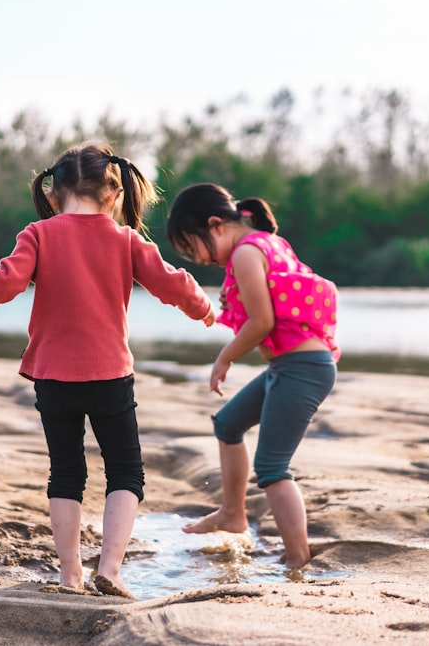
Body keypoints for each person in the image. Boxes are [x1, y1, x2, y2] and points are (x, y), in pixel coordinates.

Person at [0, 142, 215, 599]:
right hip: (110, 375)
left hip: (52, 376)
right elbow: (168, 281)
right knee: (125, 473)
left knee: (65, 473)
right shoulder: (126, 240)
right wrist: (200, 306)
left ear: (54, 194)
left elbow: (5, 281)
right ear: (115, 194)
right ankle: (112, 570)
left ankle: (70, 575)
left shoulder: (38, 234)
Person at [165, 183, 339, 569]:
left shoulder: (245, 253)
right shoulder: (266, 242)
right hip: (293, 366)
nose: (198, 259)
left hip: (302, 369)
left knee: (273, 468)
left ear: (216, 224)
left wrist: (223, 358)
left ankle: (298, 559)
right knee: (228, 424)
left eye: (194, 246)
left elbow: (263, 323)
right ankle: (232, 513)